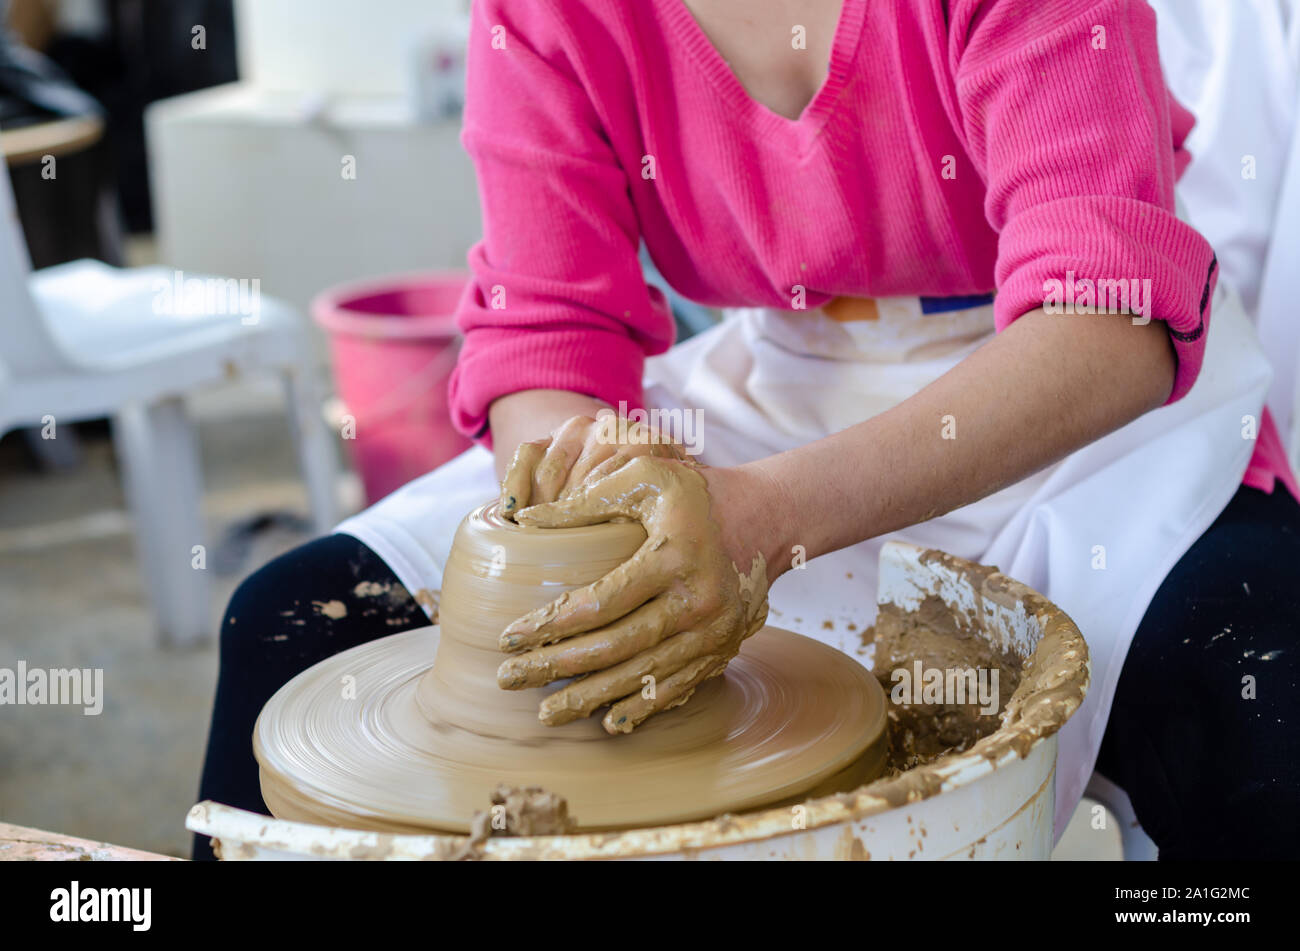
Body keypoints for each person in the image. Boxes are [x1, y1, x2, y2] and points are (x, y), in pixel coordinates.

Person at [196, 0, 1300, 860]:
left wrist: (765, 521)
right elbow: (547, 337)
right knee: (292, 621)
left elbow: (1106, 323)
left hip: (1059, 409)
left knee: (1250, 665)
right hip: (770, 382)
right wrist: (614, 502)